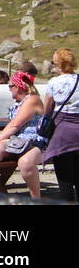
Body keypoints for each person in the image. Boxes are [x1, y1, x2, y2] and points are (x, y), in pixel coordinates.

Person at [39, 48, 79, 202]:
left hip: (62, 132)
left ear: (57, 64)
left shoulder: (54, 82)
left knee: (65, 179)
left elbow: (47, 109)